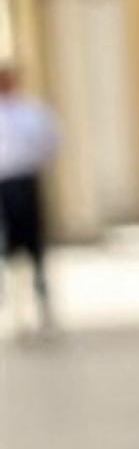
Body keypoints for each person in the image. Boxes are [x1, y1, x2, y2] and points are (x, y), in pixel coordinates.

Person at [0, 62, 61, 336]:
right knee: (8, 248)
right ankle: (16, 310)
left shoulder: (31, 111)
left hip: (25, 180)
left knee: (34, 243)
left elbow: (51, 142)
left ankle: (42, 305)